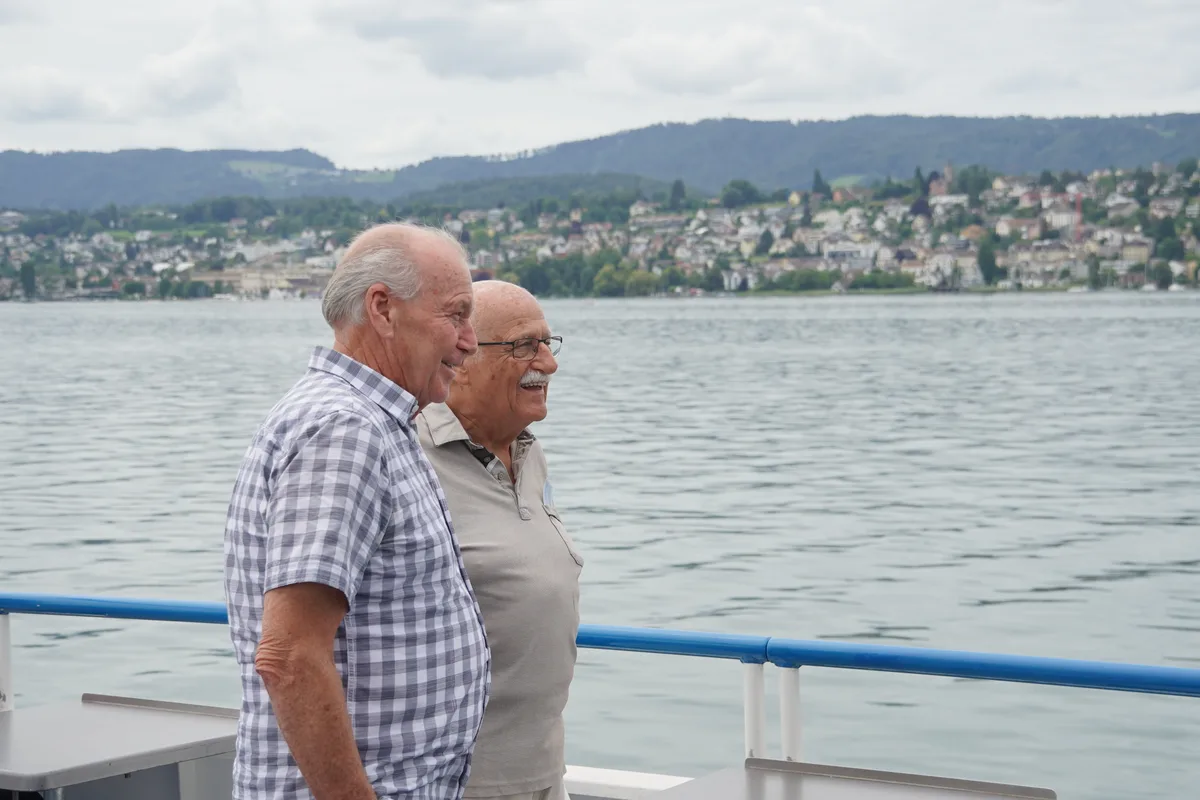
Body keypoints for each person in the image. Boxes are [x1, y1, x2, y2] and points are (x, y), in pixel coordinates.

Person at [223, 222, 491, 800]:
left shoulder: (375, 420)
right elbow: (290, 655)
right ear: (383, 309)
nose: (470, 340)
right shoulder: (345, 430)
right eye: (456, 315)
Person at [416, 281, 583, 800]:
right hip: (459, 784)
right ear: (461, 355)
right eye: (522, 346)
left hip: (543, 772)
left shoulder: (529, 454)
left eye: (547, 344)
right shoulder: (407, 458)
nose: (547, 364)